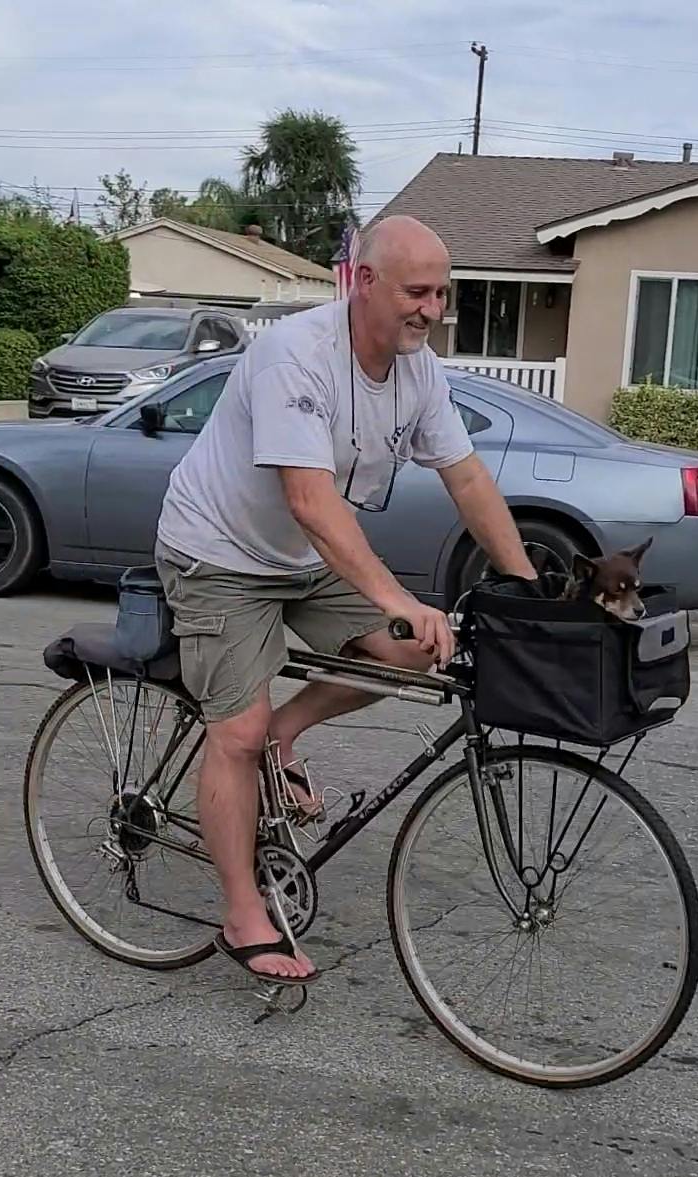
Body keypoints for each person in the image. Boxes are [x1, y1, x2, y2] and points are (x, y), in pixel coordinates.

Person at [153, 215, 537, 984]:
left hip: (305, 557)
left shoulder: (418, 369)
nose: (432, 310)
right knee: (237, 729)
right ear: (362, 282)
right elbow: (309, 499)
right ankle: (241, 913)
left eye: (442, 294)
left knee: (415, 655)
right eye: (417, 292)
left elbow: (466, 479)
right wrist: (397, 594)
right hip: (219, 552)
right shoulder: (296, 356)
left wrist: (529, 588)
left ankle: (285, 737)